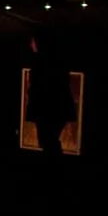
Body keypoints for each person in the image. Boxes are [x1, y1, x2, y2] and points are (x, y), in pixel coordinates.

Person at [26, 27, 74, 170]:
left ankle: (52, 171)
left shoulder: (41, 63)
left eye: (33, 42)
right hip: (55, 110)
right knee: (50, 141)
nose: (31, 45)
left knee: (48, 141)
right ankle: (53, 170)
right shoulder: (56, 62)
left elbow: (38, 89)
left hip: (47, 110)